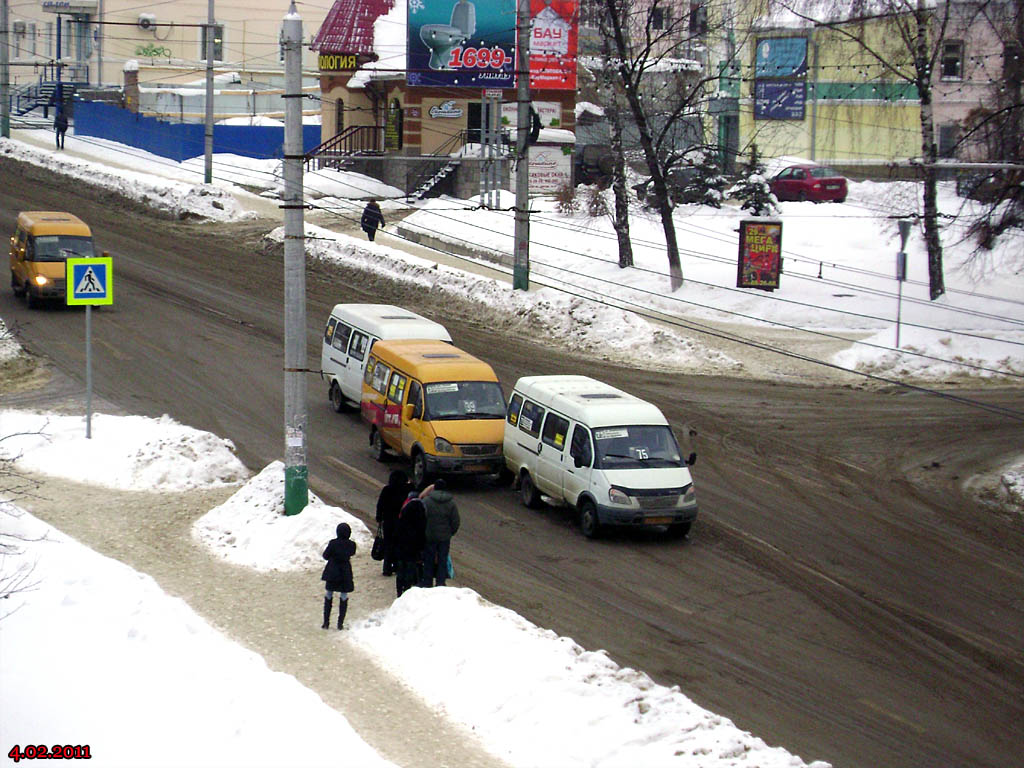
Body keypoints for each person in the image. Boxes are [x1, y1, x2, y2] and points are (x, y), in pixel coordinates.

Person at [419, 478, 459, 588]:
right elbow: (455, 521)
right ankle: (440, 582)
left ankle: (427, 581)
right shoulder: (451, 503)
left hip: (430, 535)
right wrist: (450, 533)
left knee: (429, 558)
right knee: (442, 559)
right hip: (444, 537)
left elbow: (421, 518)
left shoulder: (427, 502)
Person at [375, 470, 412, 577]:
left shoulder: (387, 490)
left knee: (388, 544)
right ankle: (396, 566)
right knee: (399, 544)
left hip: (388, 522)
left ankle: (387, 568)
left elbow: (380, 504)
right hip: (402, 522)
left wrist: (379, 517)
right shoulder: (407, 490)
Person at [320, 522, 356, 630]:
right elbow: (352, 553)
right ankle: (340, 623)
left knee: (329, 594)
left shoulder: (333, 543)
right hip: (345, 573)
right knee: (344, 596)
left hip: (332, 572)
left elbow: (325, 556)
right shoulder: (352, 545)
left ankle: (326, 622)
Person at [393, 491, 426, 598]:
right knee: (410, 570)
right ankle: (407, 590)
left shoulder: (404, 515)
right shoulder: (421, 516)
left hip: (402, 547)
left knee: (401, 570)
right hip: (414, 549)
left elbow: (397, 533)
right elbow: (422, 535)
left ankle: (399, 592)